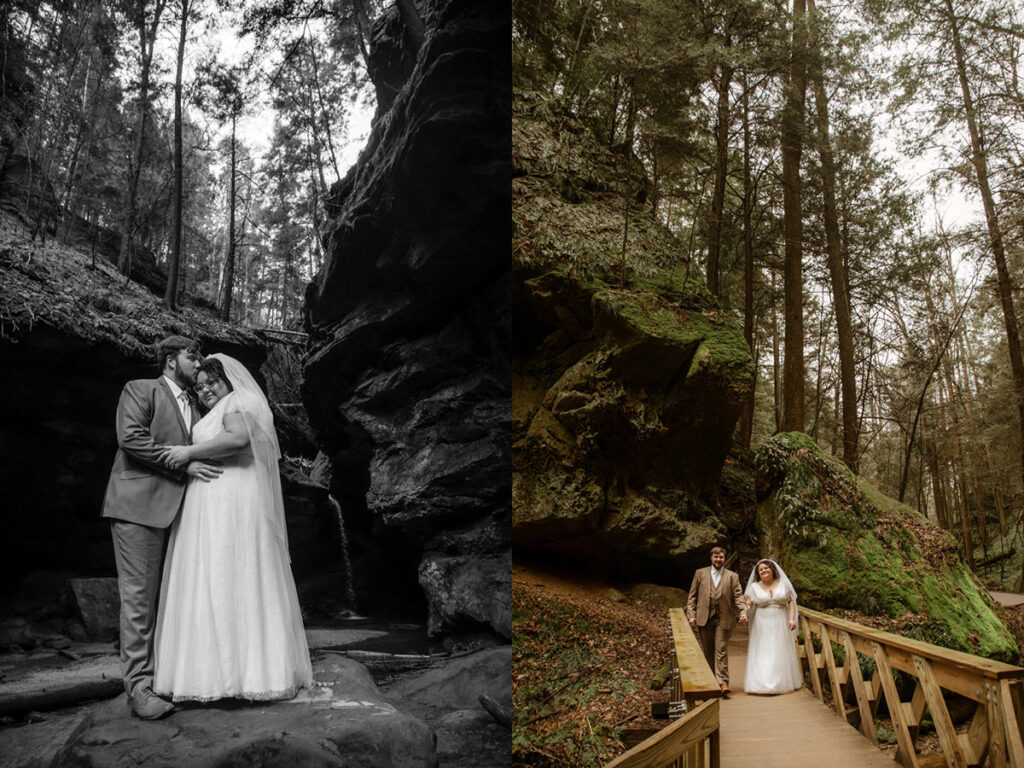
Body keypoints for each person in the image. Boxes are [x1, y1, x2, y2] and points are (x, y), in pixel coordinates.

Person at [152, 353, 313, 702]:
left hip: (231, 504)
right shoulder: (220, 407)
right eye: (201, 385)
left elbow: (238, 440)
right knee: (213, 579)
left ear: (229, 379)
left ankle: (246, 676)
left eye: (212, 382)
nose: (206, 389)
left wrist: (186, 452)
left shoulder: (241, 401)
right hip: (211, 505)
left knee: (228, 576)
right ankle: (211, 674)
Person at [101, 335, 223, 720]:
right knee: (139, 599)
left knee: (177, 599)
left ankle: (172, 675)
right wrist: (182, 463)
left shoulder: (201, 404)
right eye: (192, 356)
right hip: (139, 509)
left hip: (186, 516)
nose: (198, 361)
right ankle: (139, 689)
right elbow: (131, 438)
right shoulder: (140, 389)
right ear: (171, 360)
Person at [686, 546, 748, 694]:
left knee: (721, 650)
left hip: (723, 618)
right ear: (711, 558)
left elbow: (738, 596)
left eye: (721, 557)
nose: (718, 560)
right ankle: (711, 681)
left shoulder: (732, 576)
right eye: (716, 557)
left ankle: (723, 683)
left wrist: (743, 611)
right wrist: (691, 615)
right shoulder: (700, 573)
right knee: (709, 651)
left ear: (724, 559)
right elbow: (692, 597)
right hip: (704, 618)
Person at [743, 558, 803, 695]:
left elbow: (791, 602)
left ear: (772, 569)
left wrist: (792, 619)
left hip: (780, 619)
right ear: (758, 573)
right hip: (761, 622)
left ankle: (780, 683)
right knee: (763, 650)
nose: (764, 571)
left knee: (779, 649)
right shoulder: (754, 587)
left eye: (766, 568)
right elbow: (748, 604)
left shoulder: (783, 584)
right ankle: (761, 684)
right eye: (761, 570)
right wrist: (745, 614)